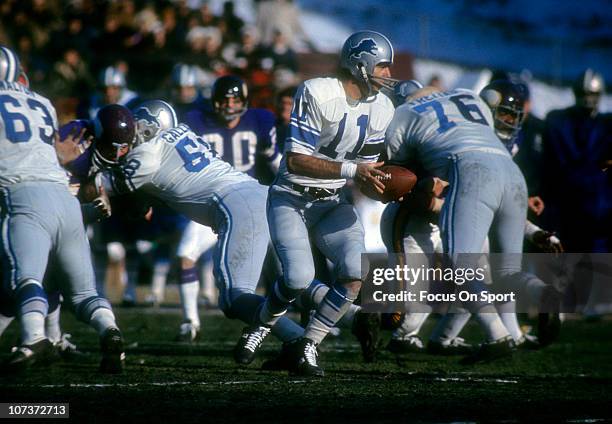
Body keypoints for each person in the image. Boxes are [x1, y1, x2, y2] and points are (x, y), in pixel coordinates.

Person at [232, 30, 397, 376]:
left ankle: (308, 344)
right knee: (297, 279)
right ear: (360, 63)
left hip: (332, 200)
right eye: (382, 66)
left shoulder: (383, 107)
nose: (387, 74)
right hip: (291, 196)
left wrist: (385, 186)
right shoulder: (318, 91)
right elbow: (295, 160)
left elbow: (366, 175)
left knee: (355, 273)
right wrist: (355, 170)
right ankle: (261, 325)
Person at [81, 102, 305, 352]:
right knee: (303, 279)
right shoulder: (181, 132)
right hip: (262, 193)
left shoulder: (145, 157)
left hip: (236, 203)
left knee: (234, 297)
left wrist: (78, 166)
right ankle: (349, 319)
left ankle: (300, 339)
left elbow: (97, 189)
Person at [384, 80, 561, 364]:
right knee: (505, 272)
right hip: (511, 173)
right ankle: (542, 293)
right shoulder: (466, 95)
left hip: (471, 170)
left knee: (459, 265)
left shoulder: (402, 115)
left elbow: (398, 176)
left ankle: (497, 335)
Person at [0, 45, 124, 373]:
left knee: (25, 279)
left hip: (22, 196)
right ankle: (110, 332)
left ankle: (34, 339)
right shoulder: (42, 103)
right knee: (83, 293)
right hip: (65, 200)